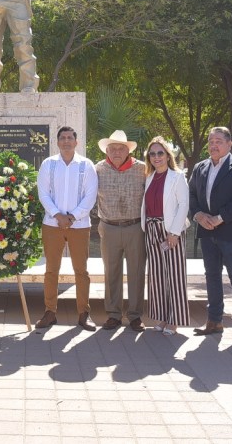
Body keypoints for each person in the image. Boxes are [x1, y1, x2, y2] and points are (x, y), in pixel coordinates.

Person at [188, 126, 232, 345]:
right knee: (212, 276)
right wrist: (198, 215)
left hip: (230, 231)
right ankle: (214, 320)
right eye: (210, 141)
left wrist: (220, 217)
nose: (213, 145)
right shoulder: (200, 167)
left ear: (229, 144)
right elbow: (191, 194)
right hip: (206, 231)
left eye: (218, 141)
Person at [35, 126, 99, 330]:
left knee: (81, 271)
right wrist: (57, 215)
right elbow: (43, 193)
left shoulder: (86, 165)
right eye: (62, 138)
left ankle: (83, 313)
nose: (66, 141)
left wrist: (72, 217)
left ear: (76, 142)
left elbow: (90, 195)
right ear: (57, 142)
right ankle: (50, 312)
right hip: (52, 225)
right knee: (51, 270)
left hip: (79, 225)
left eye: (70, 138)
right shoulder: (48, 164)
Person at [94, 130, 147, 331]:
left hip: (135, 226)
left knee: (136, 272)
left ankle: (135, 316)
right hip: (108, 227)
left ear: (128, 151)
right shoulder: (98, 169)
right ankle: (113, 315)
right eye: (113, 148)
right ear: (107, 150)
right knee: (111, 272)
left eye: (121, 148)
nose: (116, 152)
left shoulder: (141, 168)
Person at [140, 136, 190, 336]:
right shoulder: (149, 177)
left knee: (175, 276)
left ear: (168, 156)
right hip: (152, 229)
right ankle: (161, 317)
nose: (156, 157)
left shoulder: (177, 177)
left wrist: (174, 233)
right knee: (157, 276)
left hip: (170, 230)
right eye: (152, 154)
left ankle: (174, 320)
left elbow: (183, 205)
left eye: (160, 153)